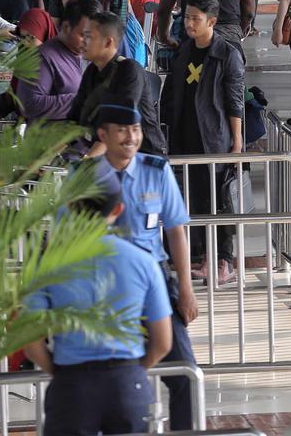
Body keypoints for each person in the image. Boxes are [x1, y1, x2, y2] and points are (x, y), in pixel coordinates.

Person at [23, 172, 172, 436]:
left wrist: (60, 373)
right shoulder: (144, 262)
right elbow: (163, 343)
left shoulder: (46, 263)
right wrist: (132, 373)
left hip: (72, 385)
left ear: (70, 206)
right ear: (118, 208)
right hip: (127, 386)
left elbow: (32, 344)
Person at [86, 102, 198, 432]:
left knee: (185, 375)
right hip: (105, 288)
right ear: (103, 135)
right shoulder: (84, 178)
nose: (131, 137)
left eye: (135, 130)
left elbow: (176, 230)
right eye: (121, 130)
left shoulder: (156, 170)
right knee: (113, 382)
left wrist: (187, 291)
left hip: (155, 285)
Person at [160, 0, 246, 284]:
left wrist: (236, 142)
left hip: (214, 138)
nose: (189, 24)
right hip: (185, 136)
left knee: (218, 202)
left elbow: (235, 102)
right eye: (186, 17)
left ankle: (225, 261)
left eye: (196, 19)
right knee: (195, 200)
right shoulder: (184, 50)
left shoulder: (227, 54)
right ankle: (206, 259)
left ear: (212, 21)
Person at [71, 11, 165, 157]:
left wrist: (86, 162)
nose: (82, 41)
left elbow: (119, 123)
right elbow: (74, 120)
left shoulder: (130, 70)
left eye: (89, 37)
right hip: (111, 158)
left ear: (108, 42)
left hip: (144, 159)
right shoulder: (91, 72)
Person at [16, 0, 94, 121]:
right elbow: (29, 105)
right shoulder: (43, 57)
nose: (88, 42)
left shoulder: (85, 56)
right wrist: (82, 100)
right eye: (84, 35)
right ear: (67, 27)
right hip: (49, 139)